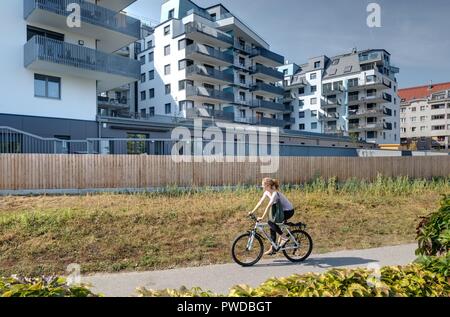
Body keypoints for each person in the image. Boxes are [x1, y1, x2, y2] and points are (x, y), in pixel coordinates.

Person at [249, 178, 295, 256]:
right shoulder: (267, 192)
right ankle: (273, 248)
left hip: (288, 211)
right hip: (281, 211)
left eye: (263, 185)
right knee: (272, 226)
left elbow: (268, 206)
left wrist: (262, 217)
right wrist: (252, 211)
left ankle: (284, 237)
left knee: (270, 222)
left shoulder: (275, 194)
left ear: (268, 185)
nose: (262, 187)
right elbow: (260, 202)